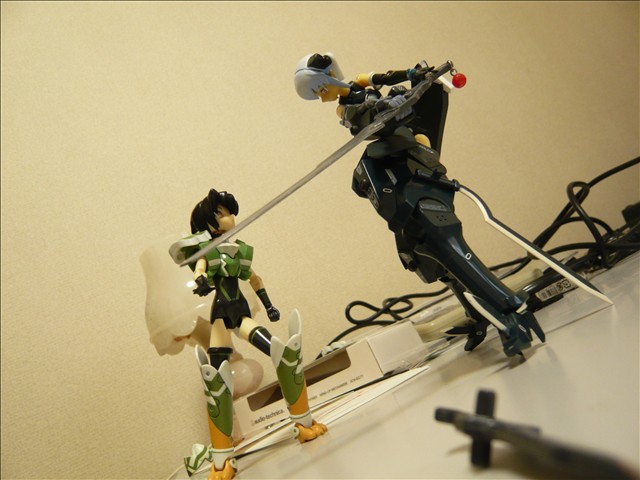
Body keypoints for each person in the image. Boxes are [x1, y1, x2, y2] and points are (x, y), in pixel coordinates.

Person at [295, 53, 544, 357]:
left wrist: (412, 77)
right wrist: (384, 107)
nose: (322, 97)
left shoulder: (359, 83)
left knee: (445, 244)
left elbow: (385, 77)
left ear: (330, 77)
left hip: (409, 148)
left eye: (320, 89)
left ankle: (512, 311)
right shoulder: (343, 109)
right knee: (423, 256)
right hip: (393, 152)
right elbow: (360, 119)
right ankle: (477, 316)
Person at [170, 188, 327, 480]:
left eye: (229, 212)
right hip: (221, 313)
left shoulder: (236, 250)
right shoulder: (207, 251)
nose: (229, 217)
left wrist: (268, 305)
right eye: (221, 213)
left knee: (278, 350)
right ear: (208, 221)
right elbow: (199, 270)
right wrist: (201, 281)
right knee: (217, 378)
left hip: (239, 309)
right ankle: (222, 461)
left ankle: (304, 423)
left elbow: (254, 278)